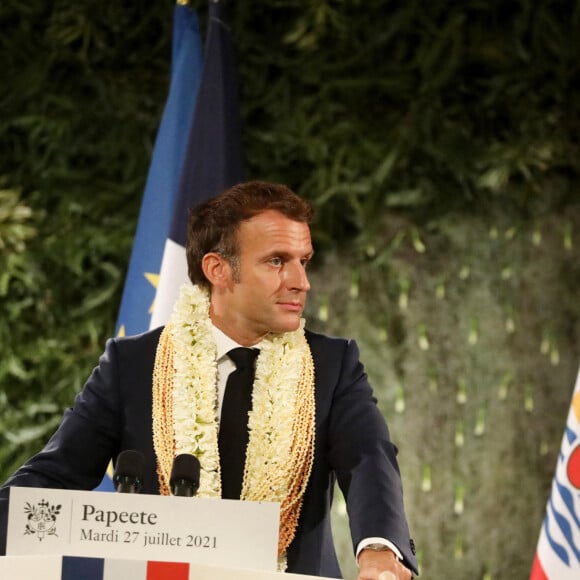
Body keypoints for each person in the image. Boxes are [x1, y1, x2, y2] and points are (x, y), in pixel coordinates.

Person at [0, 181, 418, 579]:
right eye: (277, 261)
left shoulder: (332, 364)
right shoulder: (133, 364)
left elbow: (369, 460)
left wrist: (380, 548)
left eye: (303, 261)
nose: (300, 282)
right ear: (218, 269)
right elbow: (54, 475)